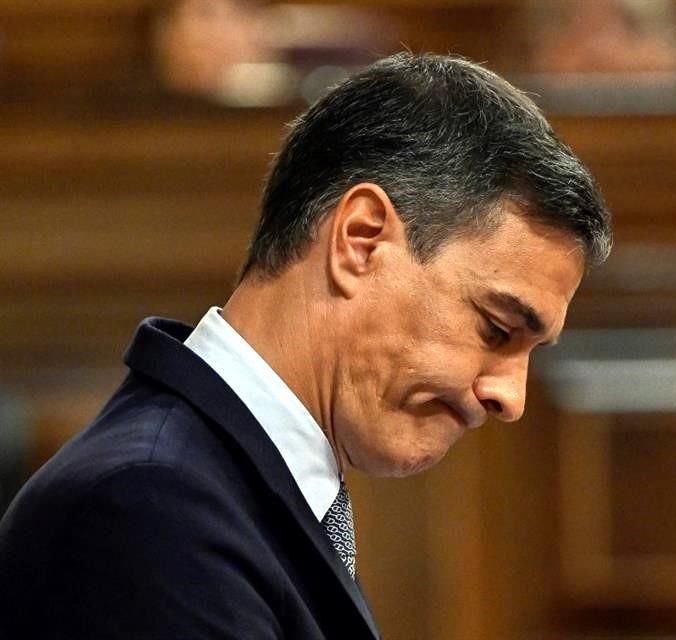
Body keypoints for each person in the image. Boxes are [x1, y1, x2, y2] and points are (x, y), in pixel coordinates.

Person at [0, 53, 611, 639]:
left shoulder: (211, 489)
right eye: (496, 329)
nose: (511, 397)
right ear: (361, 240)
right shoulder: (146, 509)